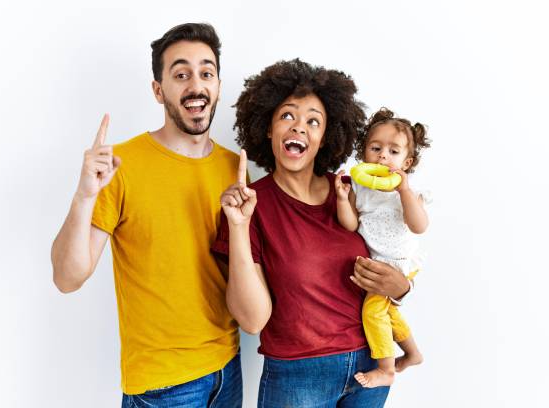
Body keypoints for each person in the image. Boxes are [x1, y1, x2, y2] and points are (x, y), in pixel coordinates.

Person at [51, 23, 242, 407]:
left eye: (206, 73)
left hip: (228, 370)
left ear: (218, 85)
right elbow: (68, 278)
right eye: (181, 74)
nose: (196, 85)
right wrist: (84, 195)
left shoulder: (234, 167)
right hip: (163, 386)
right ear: (159, 90)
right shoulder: (122, 165)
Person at [212, 59, 411, 407]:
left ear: (325, 137)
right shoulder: (250, 207)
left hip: (370, 366)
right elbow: (251, 320)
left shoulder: (352, 190)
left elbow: (396, 246)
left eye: (313, 121)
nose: (300, 128)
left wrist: (402, 288)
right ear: (269, 129)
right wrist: (239, 226)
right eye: (288, 116)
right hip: (297, 376)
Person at [335, 108, 431, 388]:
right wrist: (343, 199)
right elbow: (350, 224)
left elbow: (419, 226)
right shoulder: (360, 188)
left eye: (393, 151)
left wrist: (404, 192)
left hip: (400, 262)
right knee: (388, 312)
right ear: (363, 154)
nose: (383, 156)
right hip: (378, 263)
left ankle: (386, 368)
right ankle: (412, 353)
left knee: (372, 312)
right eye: (375, 148)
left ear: (407, 161)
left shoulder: (408, 193)